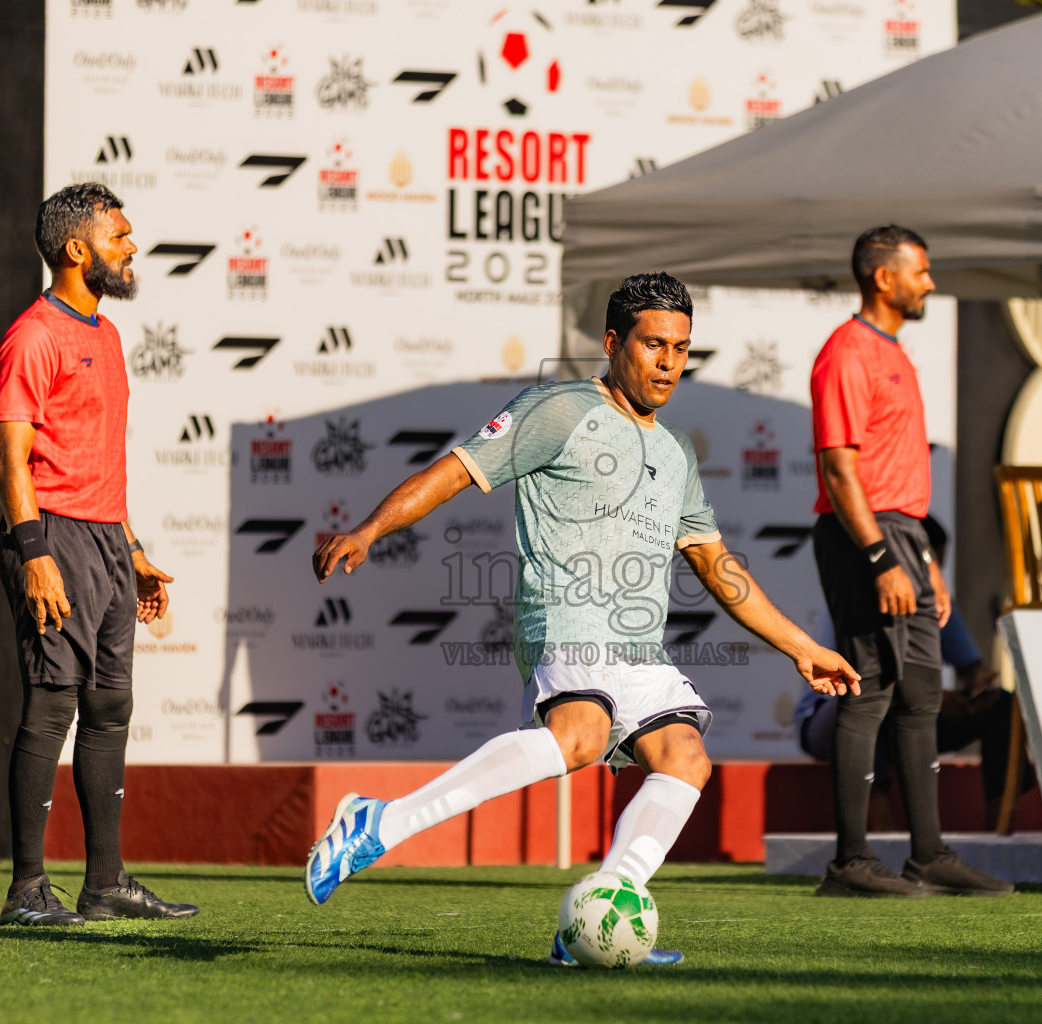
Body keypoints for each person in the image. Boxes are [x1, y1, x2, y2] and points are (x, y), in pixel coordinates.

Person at [302, 273, 857, 965]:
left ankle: (604, 915)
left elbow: (719, 569)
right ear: (613, 341)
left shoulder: (675, 452)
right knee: (582, 735)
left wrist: (802, 649)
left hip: (639, 648)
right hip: (564, 622)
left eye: (681, 349)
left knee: (685, 760)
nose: (668, 363)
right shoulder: (558, 409)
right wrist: (369, 530)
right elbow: (455, 469)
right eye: (654, 344)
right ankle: (379, 822)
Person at [0, 183, 197, 926]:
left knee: (110, 705)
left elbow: (99, 459)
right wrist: (35, 553)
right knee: (51, 706)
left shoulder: (105, 335)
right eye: (120, 237)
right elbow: (9, 458)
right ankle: (25, 893)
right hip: (52, 535)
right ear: (78, 250)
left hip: (107, 539)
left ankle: (105, 883)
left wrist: (133, 548)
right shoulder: (34, 335)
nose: (131, 248)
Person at [809, 225, 1012, 899]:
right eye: (920, 271)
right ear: (882, 278)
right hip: (864, 537)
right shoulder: (847, 351)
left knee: (922, 694)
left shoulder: (891, 351)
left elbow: (897, 478)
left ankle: (929, 855)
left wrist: (926, 562)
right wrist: (880, 558)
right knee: (869, 691)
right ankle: (851, 863)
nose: (930, 281)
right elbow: (841, 472)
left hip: (906, 538)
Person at [796, 517, 1030, 832]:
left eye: (937, 567)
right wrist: (938, 698)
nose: (934, 575)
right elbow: (862, 675)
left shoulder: (936, 599)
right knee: (867, 698)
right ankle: (884, 835)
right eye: (930, 563)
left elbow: (974, 670)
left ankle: (999, 832)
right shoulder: (860, 592)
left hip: (909, 710)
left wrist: (976, 689)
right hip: (829, 716)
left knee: (1001, 705)